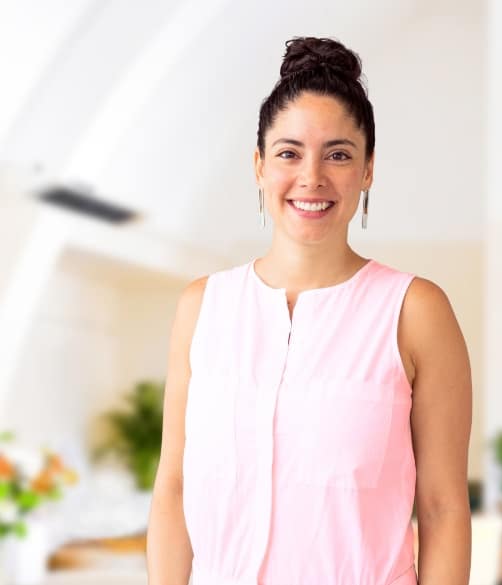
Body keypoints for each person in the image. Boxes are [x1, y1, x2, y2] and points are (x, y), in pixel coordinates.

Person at [147, 36, 472, 585]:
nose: (312, 177)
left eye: (338, 154)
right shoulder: (202, 307)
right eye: (289, 153)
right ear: (259, 166)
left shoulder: (415, 311)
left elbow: (443, 508)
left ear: (368, 170)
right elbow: (173, 490)